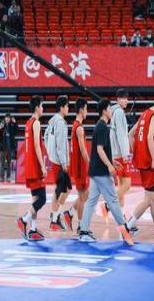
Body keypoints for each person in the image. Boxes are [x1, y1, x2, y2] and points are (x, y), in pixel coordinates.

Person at [77, 99, 133, 245]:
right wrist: (109, 165)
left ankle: (83, 231)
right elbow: (99, 149)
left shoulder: (100, 126)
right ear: (104, 111)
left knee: (91, 202)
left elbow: (101, 150)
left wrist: (112, 161)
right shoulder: (102, 127)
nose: (111, 111)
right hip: (101, 172)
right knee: (113, 199)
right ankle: (125, 229)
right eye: (109, 109)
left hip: (95, 170)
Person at [126, 100, 154, 244]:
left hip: (141, 160)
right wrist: (153, 159)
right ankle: (127, 227)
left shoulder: (143, 114)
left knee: (153, 197)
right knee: (149, 199)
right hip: (147, 162)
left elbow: (130, 134)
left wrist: (136, 151)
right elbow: (150, 137)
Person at [16, 96, 47, 241]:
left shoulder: (28, 122)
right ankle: (24, 221)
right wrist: (42, 165)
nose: (43, 109)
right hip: (34, 166)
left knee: (35, 199)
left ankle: (33, 230)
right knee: (42, 199)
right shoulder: (36, 123)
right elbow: (36, 146)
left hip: (29, 166)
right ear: (36, 107)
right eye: (42, 106)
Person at [102, 89, 130, 220]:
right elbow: (121, 135)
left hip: (115, 153)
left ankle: (122, 218)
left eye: (127, 98)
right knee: (127, 185)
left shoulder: (114, 112)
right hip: (120, 153)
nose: (126, 101)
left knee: (121, 186)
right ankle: (107, 205)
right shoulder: (118, 112)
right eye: (124, 98)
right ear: (118, 99)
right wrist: (126, 154)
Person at [45, 96, 72, 231]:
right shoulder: (60, 122)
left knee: (63, 190)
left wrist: (50, 153)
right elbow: (61, 145)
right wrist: (64, 162)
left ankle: (55, 214)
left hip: (54, 160)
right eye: (67, 106)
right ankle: (55, 218)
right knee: (62, 190)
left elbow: (45, 137)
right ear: (61, 108)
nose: (68, 109)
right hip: (60, 162)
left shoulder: (52, 120)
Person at [63, 98, 89, 234]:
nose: (87, 112)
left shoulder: (75, 125)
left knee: (85, 195)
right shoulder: (79, 128)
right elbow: (83, 150)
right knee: (83, 197)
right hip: (80, 166)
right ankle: (81, 226)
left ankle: (70, 213)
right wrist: (90, 163)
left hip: (78, 165)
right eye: (86, 109)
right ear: (81, 110)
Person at [0, 113, 17, 182]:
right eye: (6, 117)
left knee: (9, 163)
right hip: (3, 147)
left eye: (8, 118)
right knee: (2, 163)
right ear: (4, 118)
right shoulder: (2, 124)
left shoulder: (12, 125)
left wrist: (15, 123)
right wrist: (0, 129)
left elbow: (16, 131)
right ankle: (1, 177)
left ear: (10, 119)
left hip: (10, 147)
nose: (7, 119)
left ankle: (8, 177)